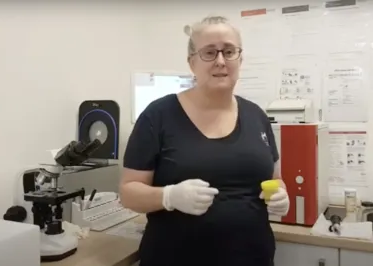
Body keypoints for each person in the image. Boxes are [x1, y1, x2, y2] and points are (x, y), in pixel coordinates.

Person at [119, 15, 290, 266]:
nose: (221, 61)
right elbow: (128, 193)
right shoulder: (158, 116)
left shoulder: (257, 116)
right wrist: (169, 196)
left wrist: (281, 195)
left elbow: (275, 178)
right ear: (192, 63)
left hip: (253, 258)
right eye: (209, 52)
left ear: (240, 59)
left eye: (229, 51)